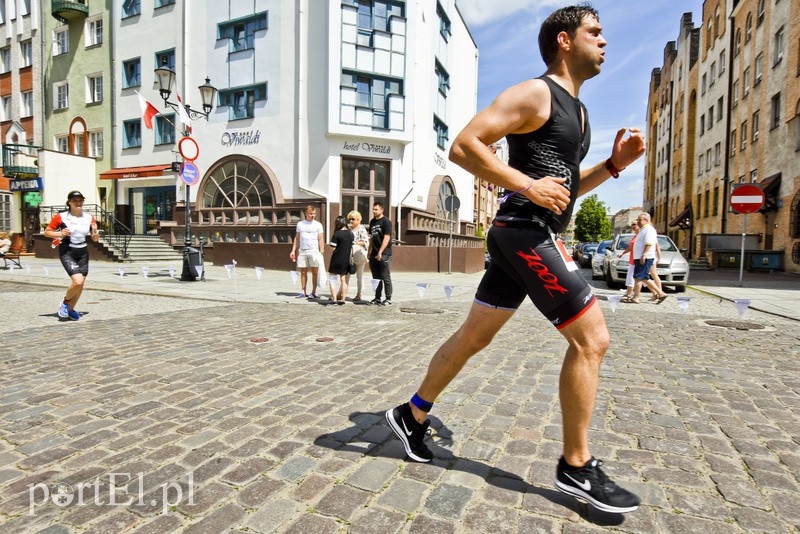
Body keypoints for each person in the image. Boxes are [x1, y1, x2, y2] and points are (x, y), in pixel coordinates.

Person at [385, 5, 645, 514]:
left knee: (474, 337)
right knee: (592, 339)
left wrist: (613, 166)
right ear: (565, 41)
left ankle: (411, 415)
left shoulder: (580, 111)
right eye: (595, 32)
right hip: (525, 231)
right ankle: (576, 467)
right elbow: (465, 145)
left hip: (527, 231)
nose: (605, 41)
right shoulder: (535, 92)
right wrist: (525, 184)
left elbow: (564, 190)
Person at [43, 191, 100, 321]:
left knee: (81, 284)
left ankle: (70, 310)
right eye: (75, 201)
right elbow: (47, 232)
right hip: (67, 251)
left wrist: (95, 233)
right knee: (77, 281)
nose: (78, 203)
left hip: (83, 251)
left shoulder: (89, 218)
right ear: (69, 203)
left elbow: (95, 238)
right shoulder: (61, 217)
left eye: (80, 200)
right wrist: (60, 233)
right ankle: (65, 302)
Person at [631, 212, 668, 305]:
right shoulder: (643, 230)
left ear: (646, 220)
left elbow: (649, 243)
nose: (638, 221)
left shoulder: (649, 230)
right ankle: (660, 293)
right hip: (640, 256)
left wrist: (644, 254)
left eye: (640, 219)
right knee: (643, 277)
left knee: (639, 277)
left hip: (645, 257)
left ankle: (636, 297)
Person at [289, 206, 324, 300]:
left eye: (314, 213)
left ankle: (313, 292)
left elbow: (321, 238)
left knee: (314, 272)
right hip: (303, 250)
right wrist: (293, 250)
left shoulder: (318, 225)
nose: (313, 215)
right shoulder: (300, 224)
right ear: (306, 213)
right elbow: (297, 238)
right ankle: (303, 291)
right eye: (311, 213)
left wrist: (322, 250)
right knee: (303, 271)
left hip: (314, 250)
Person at [368, 202, 393, 306]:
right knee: (376, 277)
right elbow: (372, 238)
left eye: (376, 209)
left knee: (385, 276)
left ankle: (388, 298)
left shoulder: (386, 222)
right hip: (374, 253)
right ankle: (377, 298)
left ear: (381, 210)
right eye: (373, 209)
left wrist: (380, 252)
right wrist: (369, 251)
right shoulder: (372, 222)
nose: (374, 211)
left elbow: (387, 238)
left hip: (384, 253)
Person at [327, 216, 354, 305]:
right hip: (346, 259)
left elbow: (333, 248)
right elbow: (352, 244)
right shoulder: (350, 233)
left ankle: (334, 298)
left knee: (332, 278)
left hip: (336, 259)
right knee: (343, 279)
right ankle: (343, 299)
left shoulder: (337, 233)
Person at [346, 210, 370, 301]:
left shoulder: (361, 228)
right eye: (350, 219)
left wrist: (355, 242)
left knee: (359, 276)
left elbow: (365, 242)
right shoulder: (350, 229)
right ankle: (342, 293)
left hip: (359, 254)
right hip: (351, 255)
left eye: (352, 219)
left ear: (358, 219)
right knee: (347, 274)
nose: (351, 221)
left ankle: (359, 294)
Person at [620, 221, 639, 303]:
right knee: (642, 279)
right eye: (632, 225)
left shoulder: (640, 236)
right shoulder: (635, 236)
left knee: (632, 278)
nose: (632, 226)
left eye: (634, 224)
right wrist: (622, 253)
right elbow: (631, 248)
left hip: (636, 260)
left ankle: (629, 295)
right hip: (633, 259)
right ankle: (657, 293)